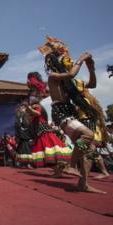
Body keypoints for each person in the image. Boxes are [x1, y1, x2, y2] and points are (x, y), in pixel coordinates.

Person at [39, 36, 105, 193]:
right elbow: (70, 74)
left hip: (69, 113)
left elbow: (92, 84)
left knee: (89, 148)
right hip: (61, 113)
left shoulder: (70, 84)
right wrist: (81, 59)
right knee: (88, 135)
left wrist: (91, 68)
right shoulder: (53, 76)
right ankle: (71, 165)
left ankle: (83, 183)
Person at [72, 78, 110, 179]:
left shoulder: (83, 100)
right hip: (90, 126)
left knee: (83, 147)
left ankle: (83, 172)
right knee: (90, 150)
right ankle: (100, 171)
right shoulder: (89, 99)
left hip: (88, 126)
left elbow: (80, 113)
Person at [26, 97, 73, 176]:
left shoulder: (36, 107)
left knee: (48, 154)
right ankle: (58, 171)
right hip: (42, 133)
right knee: (48, 155)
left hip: (45, 134)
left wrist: (29, 108)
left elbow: (37, 113)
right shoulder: (34, 109)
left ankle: (62, 169)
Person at [14, 102, 34, 168]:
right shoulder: (19, 115)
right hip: (22, 135)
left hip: (28, 134)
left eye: (24, 107)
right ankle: (22, 163)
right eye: (22, 107)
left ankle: (28, 163)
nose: (23, 108)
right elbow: (18, 125)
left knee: (27, 149)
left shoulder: (28, 115)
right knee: (22, 149)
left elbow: (28, 124)